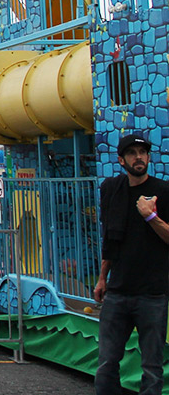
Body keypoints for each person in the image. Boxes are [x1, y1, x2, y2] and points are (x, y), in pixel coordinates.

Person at [95, 134, 169, 395]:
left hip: (153, 293)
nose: (139, 157)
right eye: (132, 153)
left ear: (149, 158)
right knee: (106, 362)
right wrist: (103, 277)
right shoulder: (113, 190)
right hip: (118, 291)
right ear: (121, 160)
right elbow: (110, 238)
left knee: (151, 365)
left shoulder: (163, 192)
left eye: (143, 152)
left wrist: (151, 216)